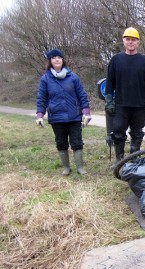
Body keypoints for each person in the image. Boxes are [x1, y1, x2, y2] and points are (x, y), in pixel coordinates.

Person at [35, 48, 91, 176]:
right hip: (56, 117)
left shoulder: (73, 77)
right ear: (50, 61)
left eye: (59, 57)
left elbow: (82, 95)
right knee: (61, 143)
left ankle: (80, 168)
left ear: (62, 60)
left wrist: (86, 112)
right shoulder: (45, 79)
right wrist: (40, 115)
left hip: (74, 116)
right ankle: (66, 168)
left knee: (77, 142)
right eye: (54, 58)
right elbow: (41, 98)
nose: (56, 60)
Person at [105, 27, 145, 164]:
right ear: (123, 41)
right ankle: (119, 159)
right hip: (121, 104)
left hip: (139, 105)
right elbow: (110, 82)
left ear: (138, 42)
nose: (130, 42)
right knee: (118, 133)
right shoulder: (116, 60)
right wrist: (109, 101)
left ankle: (134, 159)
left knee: (137, 133)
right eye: (128, 39)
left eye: (133, 40)